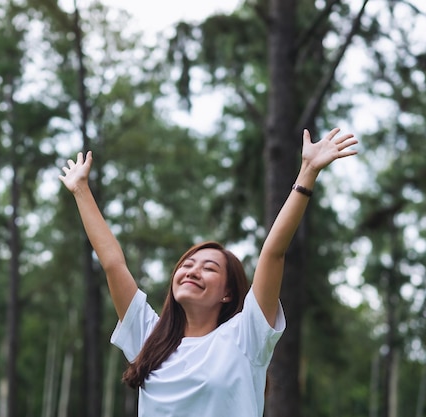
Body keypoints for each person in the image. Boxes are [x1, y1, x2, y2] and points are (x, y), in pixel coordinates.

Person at [59, 128, 358, 417]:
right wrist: (81, 190)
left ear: (228, 293)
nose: (192, 271)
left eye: (209, 268)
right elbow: (113, 263)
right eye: (187, 265)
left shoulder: (246, 336)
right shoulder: (149, 337)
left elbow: (273, 252)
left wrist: (307, 172)